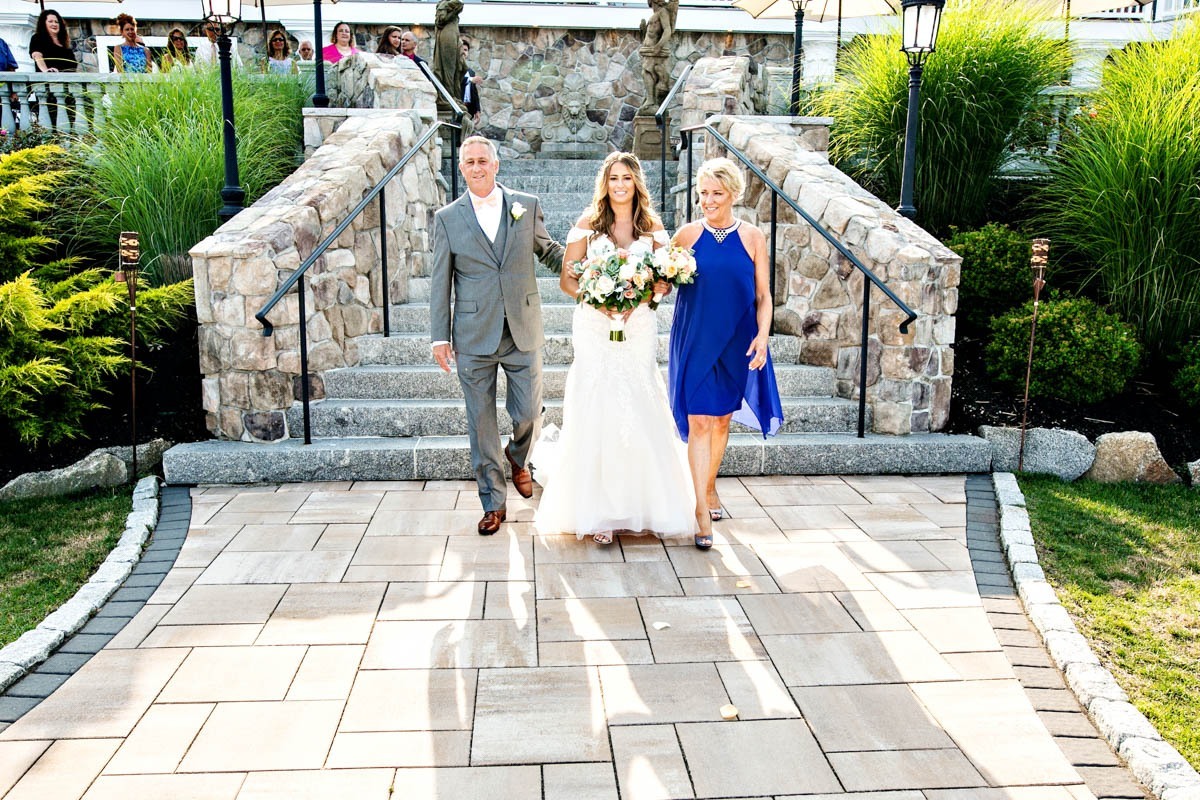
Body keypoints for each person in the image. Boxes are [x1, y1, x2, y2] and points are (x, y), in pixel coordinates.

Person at [533, 152, 697, 547]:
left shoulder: (653, 227)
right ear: (604, 184)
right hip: (594, 325)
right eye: (613, 179)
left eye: (626, 178)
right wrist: (595, 297)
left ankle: (642, 506)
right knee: (598, 402)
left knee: (638, 401)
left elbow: (664, 278)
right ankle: (598, 512)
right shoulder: (587, 225)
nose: (620, 185)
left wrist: (660, 290)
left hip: (638, 325)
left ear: (636, 183)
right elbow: (567, 282)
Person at [430, 136, 565, 536]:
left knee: (528, 413)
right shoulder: (447, 218)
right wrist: (440, 336)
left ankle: (519, 457)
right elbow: (440, 282)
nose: (477, 167)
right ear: (461, 168)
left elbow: (550, 251)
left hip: (523, 327)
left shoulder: (526, 205)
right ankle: (493, 502)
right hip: (472, 334)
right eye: (469, 162)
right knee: (481, 423)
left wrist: (588, 264)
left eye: (483, 161)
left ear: (496, 165)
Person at [668, 157, 783, 548]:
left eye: (716, 193)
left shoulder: (752, 237)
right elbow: (663, 282)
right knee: (700, 421)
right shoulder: (685, 235)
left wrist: (763, 336)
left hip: (738, 338)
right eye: (703, 193)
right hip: (695, 338)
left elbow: (765, 296)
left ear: (734, 194)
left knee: (720, 422)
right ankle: (701, 510)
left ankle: (710, 484)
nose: (708, 201)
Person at [432, 0, 465, 98]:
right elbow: (441, 19)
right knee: (448, 68)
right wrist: (452, 10)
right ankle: (448, 96)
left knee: (460, 67)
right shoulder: (444, 4)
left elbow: (460, 5)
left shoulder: (449, 3)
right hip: (448, 36)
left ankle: (453, 95)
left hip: (453, 35)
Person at [29, 9, 77, 73]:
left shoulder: (65, 46)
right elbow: (37, 56)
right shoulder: (38, 38)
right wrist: (46, 71)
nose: (54, 24)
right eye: (50, 21)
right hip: (48, 80)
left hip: (67, 81)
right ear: (44, 24)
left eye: (56, 22)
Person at [460, 38, 483, 124]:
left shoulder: (470, 72)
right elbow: (458, 80)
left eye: (466, 50)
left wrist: (477, 110)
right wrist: (470, 79)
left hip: (469, 108)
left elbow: (474, 92)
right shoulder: (454, 68)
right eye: (462, 49)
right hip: (458, 105)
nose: (464, 52)